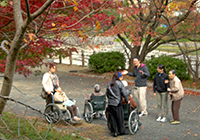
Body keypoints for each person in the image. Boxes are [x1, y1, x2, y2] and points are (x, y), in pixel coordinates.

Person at [106, 72, 129, 137]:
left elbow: (107, 93)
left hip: (110, 103)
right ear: (119, 77)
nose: (122, 78)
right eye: (121, 77)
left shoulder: (109, 83)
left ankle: (115, 131)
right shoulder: (119, 84)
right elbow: (124, 93)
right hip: (117, 103)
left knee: (112, 118)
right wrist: (127, 100)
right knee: (119, 117)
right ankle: (121, 131)